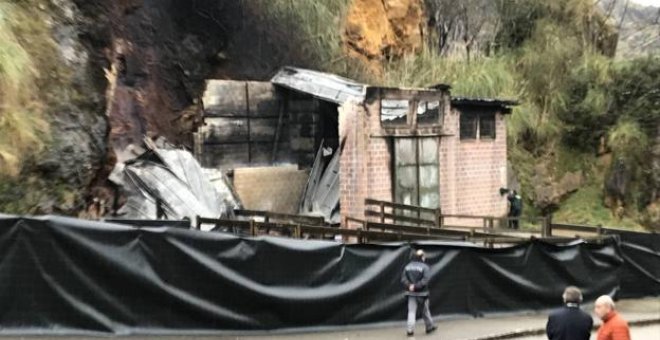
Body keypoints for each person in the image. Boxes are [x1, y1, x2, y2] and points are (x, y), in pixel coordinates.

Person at [401, 249, 437, 337]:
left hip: (411, 293)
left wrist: (410, 286)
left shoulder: (407, 266)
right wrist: (416, 286)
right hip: (422, 294)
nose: (425, 257)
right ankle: (429, 327)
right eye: (423, 256)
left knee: (411, 312)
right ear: (421, 257)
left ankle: (410, 331)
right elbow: (425, 280)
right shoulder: (425, 267)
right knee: (425, 311)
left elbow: (403, 279)